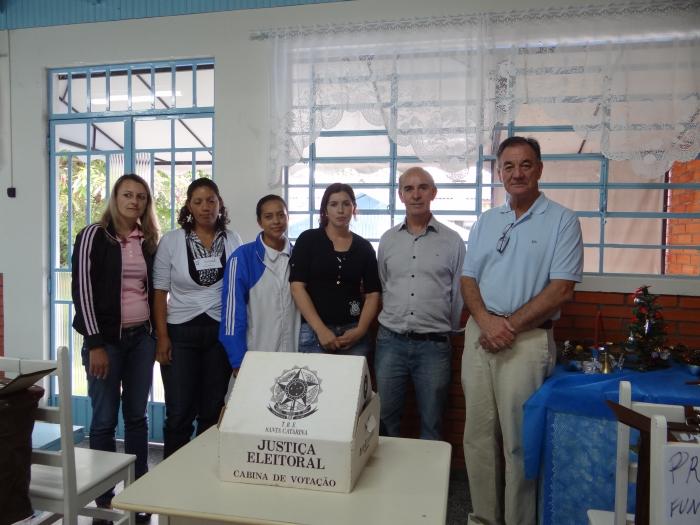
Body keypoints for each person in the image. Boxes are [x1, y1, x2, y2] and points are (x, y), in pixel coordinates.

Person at [461, 136, 583, 525]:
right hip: (480, 335)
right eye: (508, 166)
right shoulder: (487, 219)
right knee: (477, 438)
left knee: (519, 443)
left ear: (540, 169)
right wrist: (486, 321)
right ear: (499, 173)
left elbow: (561, 288)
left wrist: (509, 326)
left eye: (525, 164)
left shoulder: (563, 220)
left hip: (526, 341)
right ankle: (484, 518)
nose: (517, 173)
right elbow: (468, 278)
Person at [71, 173, 159, 521]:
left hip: (141, 340)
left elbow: (152, 290)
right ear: (115, 197)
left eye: (140, 196)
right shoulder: (95, 235)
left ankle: (138, 494)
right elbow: (83, 291)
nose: (134, 201)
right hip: (105, 342)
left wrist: (155, 335)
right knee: (105, 420)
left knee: (137, 418)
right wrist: (94, 344)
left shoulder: (148, 240)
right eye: (127, 194)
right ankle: (104, 497)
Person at [153, 178, 242, 458]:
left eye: (211, 200)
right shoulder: (172, 241)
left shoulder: (233, 239)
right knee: (179, 411)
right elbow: (159, 292)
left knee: (212, 409)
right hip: (181, 333)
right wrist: (162, 338)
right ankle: (172, 479)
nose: (206, 207)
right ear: (189, 206)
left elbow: (238, 291)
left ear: (220, 204)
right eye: (199, 201)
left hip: (220, 334)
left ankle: (203, 476)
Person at [375, 167, 465, 440]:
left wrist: (442, 329)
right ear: (400, 195)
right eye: (409, 189)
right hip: (391, 343)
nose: (416, 194)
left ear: (433, 193)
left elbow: (459, 295)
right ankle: (388, 481)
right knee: (386, 420)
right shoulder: (388, 240)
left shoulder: (453, 241)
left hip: (434, 347)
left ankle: (429, 483)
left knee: (432, 421)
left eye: (423, 187)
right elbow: (383, 285)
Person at [289, 183, 381, 357]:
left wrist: (360, 330)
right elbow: (297, 287)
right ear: (325, 210)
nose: (340, 210)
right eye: (334, 204)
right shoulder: (308, 240)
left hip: (353, 333)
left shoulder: (364, 247)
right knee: (317, 384)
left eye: (346, 204)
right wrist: (320, 329)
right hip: (314, 333)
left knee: (352, 384)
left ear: (354, 208)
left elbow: (372, 294)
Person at [219, 194, 300, 370]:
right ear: (259, 221)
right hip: (256, 358)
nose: (276, 221)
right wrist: (238, 360)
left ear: (288, 217)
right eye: (268, 216)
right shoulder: (242, 258)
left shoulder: (299, 256)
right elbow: (232, 317)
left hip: (295, 358)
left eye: (281, 215)